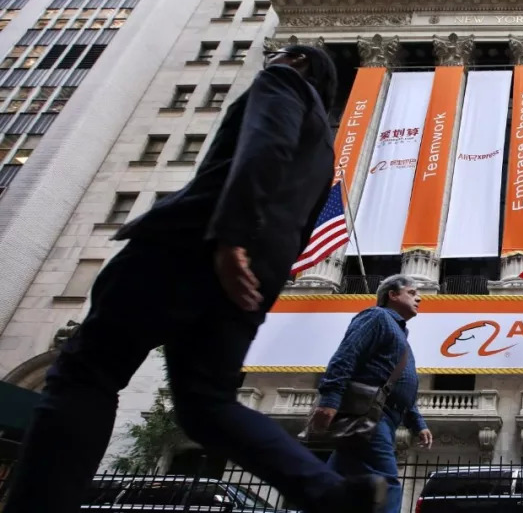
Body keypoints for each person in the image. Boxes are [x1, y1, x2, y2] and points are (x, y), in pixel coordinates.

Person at [2, 45, 388, 513]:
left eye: (279, 54)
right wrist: (263, 272)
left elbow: (265, 145)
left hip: (191, 246)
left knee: (86, 375)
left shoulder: (283, 83)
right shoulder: (325, 151)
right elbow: (305, 224)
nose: (271, 60)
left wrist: (231, 236)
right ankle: (332, 492)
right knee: (207, 405)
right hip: (252, 280)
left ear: (301, 62)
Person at [309, 274, 433, 513]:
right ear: (392, 294)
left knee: (334, 486)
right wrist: (330, 399)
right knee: (387, 485)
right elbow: (346, 356)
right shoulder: (377, 317)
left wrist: (417, 422)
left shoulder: (401, 334)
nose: (419, 298)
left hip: (384, 416)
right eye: (411, 293)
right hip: (370, 414)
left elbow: (398, 385)